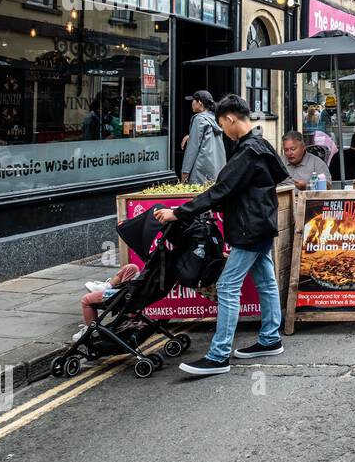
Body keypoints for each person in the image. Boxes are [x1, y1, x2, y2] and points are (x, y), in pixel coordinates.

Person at [153, 94, 290, 376]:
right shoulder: (261, 145)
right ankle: (270, 338)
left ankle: (218, 356)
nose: (223, 130)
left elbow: (219, 191)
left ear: (229, 119)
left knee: (227, 287)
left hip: (249, 229)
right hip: (262, 224)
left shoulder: (247, 152)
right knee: (265, 281)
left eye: (221, 125)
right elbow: (278, 176)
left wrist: (177, 213)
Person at [77, 262, 140, 337]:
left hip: (124, 297)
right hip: (133, 293)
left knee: (86, 299)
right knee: (131, 267)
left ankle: (90, 331)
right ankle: (107, 286)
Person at [180, 90, 226, 185]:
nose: (191, 103)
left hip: (201, 170)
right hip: (217, 168)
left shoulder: (199, 119)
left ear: (199, 103)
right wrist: (191, 136)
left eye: (193, 101)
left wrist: (185, 171)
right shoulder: (215, 118)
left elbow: (193, 147)